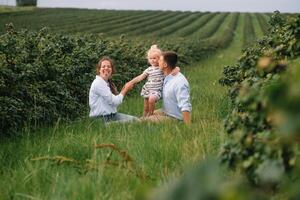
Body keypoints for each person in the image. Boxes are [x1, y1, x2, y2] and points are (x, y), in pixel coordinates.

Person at [129, 45, 179, 116]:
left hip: (156, 90)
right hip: (147, 89)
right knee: (146, 108)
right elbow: (140, 77)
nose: (152, 60)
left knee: (151, 99)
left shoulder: (161, 68)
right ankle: (144, 118)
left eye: (154, 58)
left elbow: (171, 69)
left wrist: (177, 69)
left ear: (160, 59)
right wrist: (131, 82)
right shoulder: (148, 69)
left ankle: (151, 114)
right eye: (150, 58)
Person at [146, 51, 192, 124]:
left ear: (165, 65)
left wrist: (188, 126)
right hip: (166, 111)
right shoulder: (167, 76)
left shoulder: (179, 82)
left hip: (175, 117)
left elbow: (185, 105)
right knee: (147, 115)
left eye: (160, 60)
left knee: (144, 121)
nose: (157, 61)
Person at [89, 56, 138, 123]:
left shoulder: (107, 83)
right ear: (99, 70)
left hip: (112, 116)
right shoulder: (98, 83)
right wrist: (125, 89)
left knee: (136, 120)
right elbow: (115, 102)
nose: (106, 68)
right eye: (103, 66)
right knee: (134, 122)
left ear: (112, 70)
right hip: (101, 119)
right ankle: (107, 126)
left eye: (109, 66)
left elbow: (114, 101)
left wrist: (125, 88)